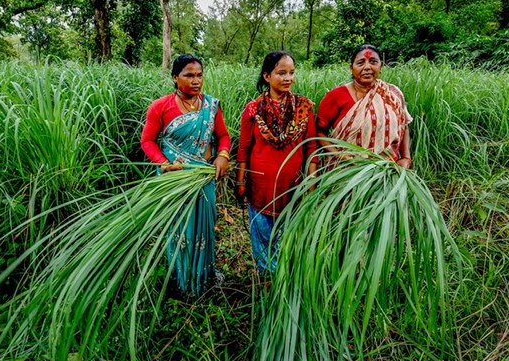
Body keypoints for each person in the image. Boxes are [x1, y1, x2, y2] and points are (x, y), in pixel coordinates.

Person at [140, 53, 231, 295]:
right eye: (188, 75)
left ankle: (204, 277)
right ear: (174, 77)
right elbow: (147, 141)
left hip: (203, 179)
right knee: (179, 231)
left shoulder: (210, 106)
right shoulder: (161, 106)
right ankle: (181, 280)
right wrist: (163, 164)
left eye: (199, 75)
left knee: (205, 227)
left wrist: (223, 155)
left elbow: (223, 136)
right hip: (176, 179)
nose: (195, 80)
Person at [236, 51, 318, 275]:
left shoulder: (304, 108)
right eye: (281, 73)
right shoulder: (253, 110)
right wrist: (240, 181)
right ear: (267, 76)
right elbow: (244, 148)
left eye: (291, 73)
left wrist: (311, 186)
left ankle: (285, 278)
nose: (288, 78)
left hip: (292, 188)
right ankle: (268, 282)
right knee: (263, 240)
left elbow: (311, 148)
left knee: (288, 239)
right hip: (260, 188)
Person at [316, 44, 413, 168]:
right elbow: (319, 132)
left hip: (386, 170)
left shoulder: (393, 94)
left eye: (373, 62)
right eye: (360, 63)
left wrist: (406, 158)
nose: (367, 67)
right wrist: (340, 155)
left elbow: (404, 126)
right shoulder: (336, 96)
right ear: (351, 68)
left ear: (381, 66)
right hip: (346, 171)